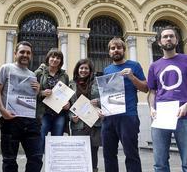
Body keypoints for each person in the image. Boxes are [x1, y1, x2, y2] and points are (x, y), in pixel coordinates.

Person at [0, 41, 43, 172]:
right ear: (15, 54)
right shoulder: (6, 68)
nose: (25, 55)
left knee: (36, 158)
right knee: (9, 160)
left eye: (28, 53)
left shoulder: (32, 75)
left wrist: (37, 90)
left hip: (30, 121)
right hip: (10, 120)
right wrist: (2, 111)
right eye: (22, 52)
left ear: (31, 55)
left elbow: (32, 99)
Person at [101, 37, 148, 172]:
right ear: (109, 52)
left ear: (124, 50)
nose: (116, 50)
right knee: (109, 155)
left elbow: (145, 88)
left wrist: (132, 77)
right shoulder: (107, 70)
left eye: (119, 48)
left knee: (131, 154)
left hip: (128, 116)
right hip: (109, 117)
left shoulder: (134, 65)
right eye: (112, 48)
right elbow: (106, 94)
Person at [147, 26, 187, 172]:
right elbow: (152, 91)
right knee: (160, 163)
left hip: (184, 115)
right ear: (159, 42)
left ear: (177, 40)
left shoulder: (186, 60)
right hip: (161, 116)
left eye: (171, 36)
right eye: (165, 36)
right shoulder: (154, 66)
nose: (168, 38)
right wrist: (152, 108)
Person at [69, 58, 102, 172]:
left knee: (93, 151)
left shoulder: (97, 82)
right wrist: (71, 117)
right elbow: (68, 104)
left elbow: (105, 98)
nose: (83, 70)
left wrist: (98, 101)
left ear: (90, 70)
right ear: (77, 70)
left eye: (86, 68)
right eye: (81, 68)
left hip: (94, 123)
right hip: (78, 124)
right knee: (78, 152)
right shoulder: (71, 84)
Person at [35, 48, 69, 153]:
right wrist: (41, 93)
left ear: (61, 61)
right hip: (44, 113)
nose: (55, 59)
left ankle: (55, 166)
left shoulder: (64, 76)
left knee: (57, 141)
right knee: (40, 140)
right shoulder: (39, 73)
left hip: (59, 113)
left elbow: (67, 93)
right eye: (53, 57)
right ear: (48, 58)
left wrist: (68, 103)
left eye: (58, 58)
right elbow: (30, 92)